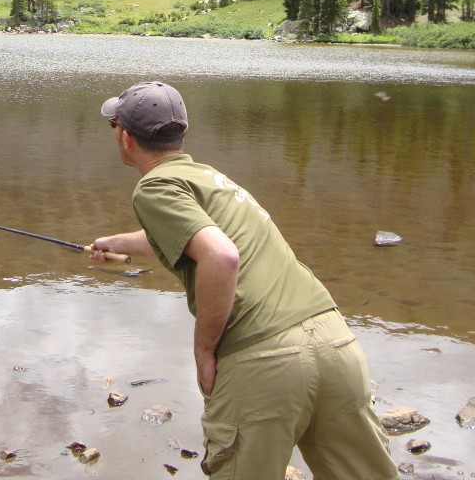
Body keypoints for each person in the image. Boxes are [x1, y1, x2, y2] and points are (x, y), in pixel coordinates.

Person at [90, 81, 398, 480]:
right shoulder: (210, 178)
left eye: (113, 125)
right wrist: (117, 242)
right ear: (179, 134)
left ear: (126, 137)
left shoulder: (153, 186)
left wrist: (203, 352)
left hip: (265, 360)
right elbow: (193, 236)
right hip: (335, 343)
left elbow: (220, 255)